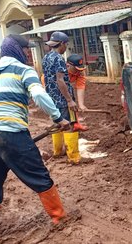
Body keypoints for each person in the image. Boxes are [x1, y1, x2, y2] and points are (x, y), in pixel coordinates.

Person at [0, 34, 70, 236]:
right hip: (10, 130)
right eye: (27, 50)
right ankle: (59, 217)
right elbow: (38, 95)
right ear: (19, 50)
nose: (28, 54)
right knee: (38, 175)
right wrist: (58, 118)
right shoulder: (24, 70)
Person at [42, 31, 91, 163]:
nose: (66, 48)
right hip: (61, 99)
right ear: (62, 44)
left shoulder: (46, 57)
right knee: (69, 125)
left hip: (51, 98)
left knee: (58, 123)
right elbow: (60, 80)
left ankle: (58, 151)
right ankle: (74, 157)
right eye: (66, 44)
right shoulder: (58, 58)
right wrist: (69, 100)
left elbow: (47, 80)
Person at [66, 54, 88, 131]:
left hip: (66, 87)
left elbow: (80, 87)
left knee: (72, 103)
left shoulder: (80, 72)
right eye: (76, 69)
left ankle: (75, 124)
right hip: (51, 86)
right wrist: (68, 100)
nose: (79, 71)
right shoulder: (62, 71)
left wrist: (81, 104)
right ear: (68, 65)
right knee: (61, 108)